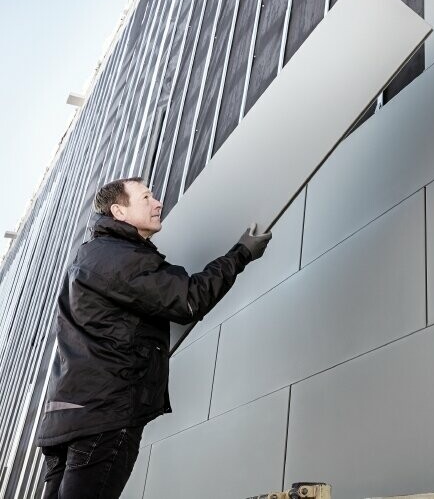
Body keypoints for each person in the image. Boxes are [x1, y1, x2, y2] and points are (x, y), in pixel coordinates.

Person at [34, 176, 272, 499]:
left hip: (68, 418)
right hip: (104, 419)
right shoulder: (119, 258)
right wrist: (241, 253)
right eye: (146, 198)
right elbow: (188, 299)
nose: (158, 202)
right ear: (118, 211)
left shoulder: (91, 256)